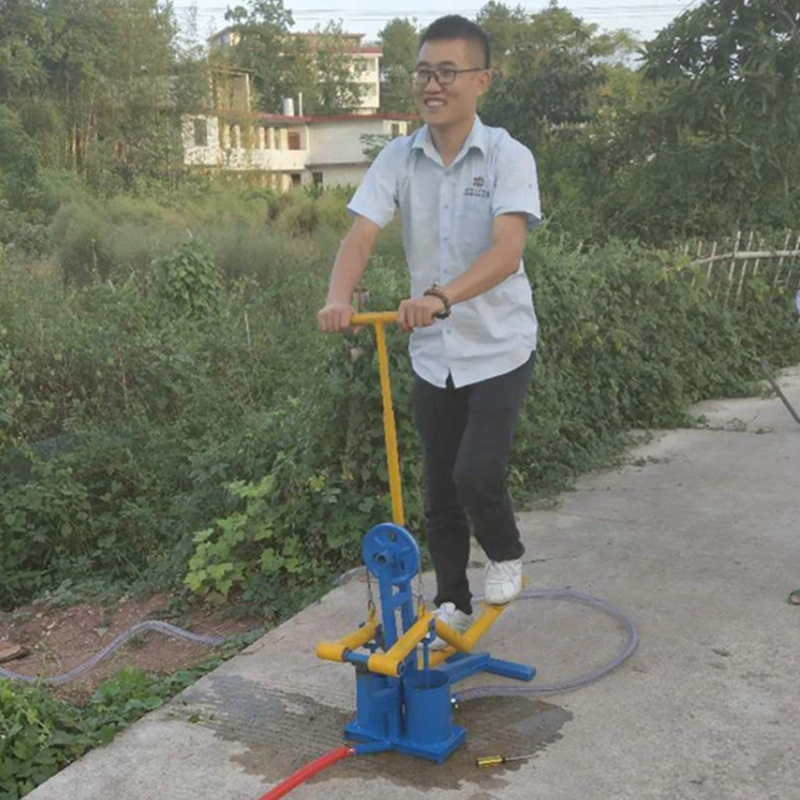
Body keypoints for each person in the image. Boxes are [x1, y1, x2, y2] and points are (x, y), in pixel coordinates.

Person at [317, 15, 541, 647]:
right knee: (439, 488)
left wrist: (441, 296)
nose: (431, 85)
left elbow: (507, 253)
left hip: (499, 347)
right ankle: (452, 602)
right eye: (422, 72)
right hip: (432, 355)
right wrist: (338, 297)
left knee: (476, 473)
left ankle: (506, 554)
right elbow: (361, 233)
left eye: (447, 72)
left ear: (480, 81)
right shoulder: (398, 156)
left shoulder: (506, 155)